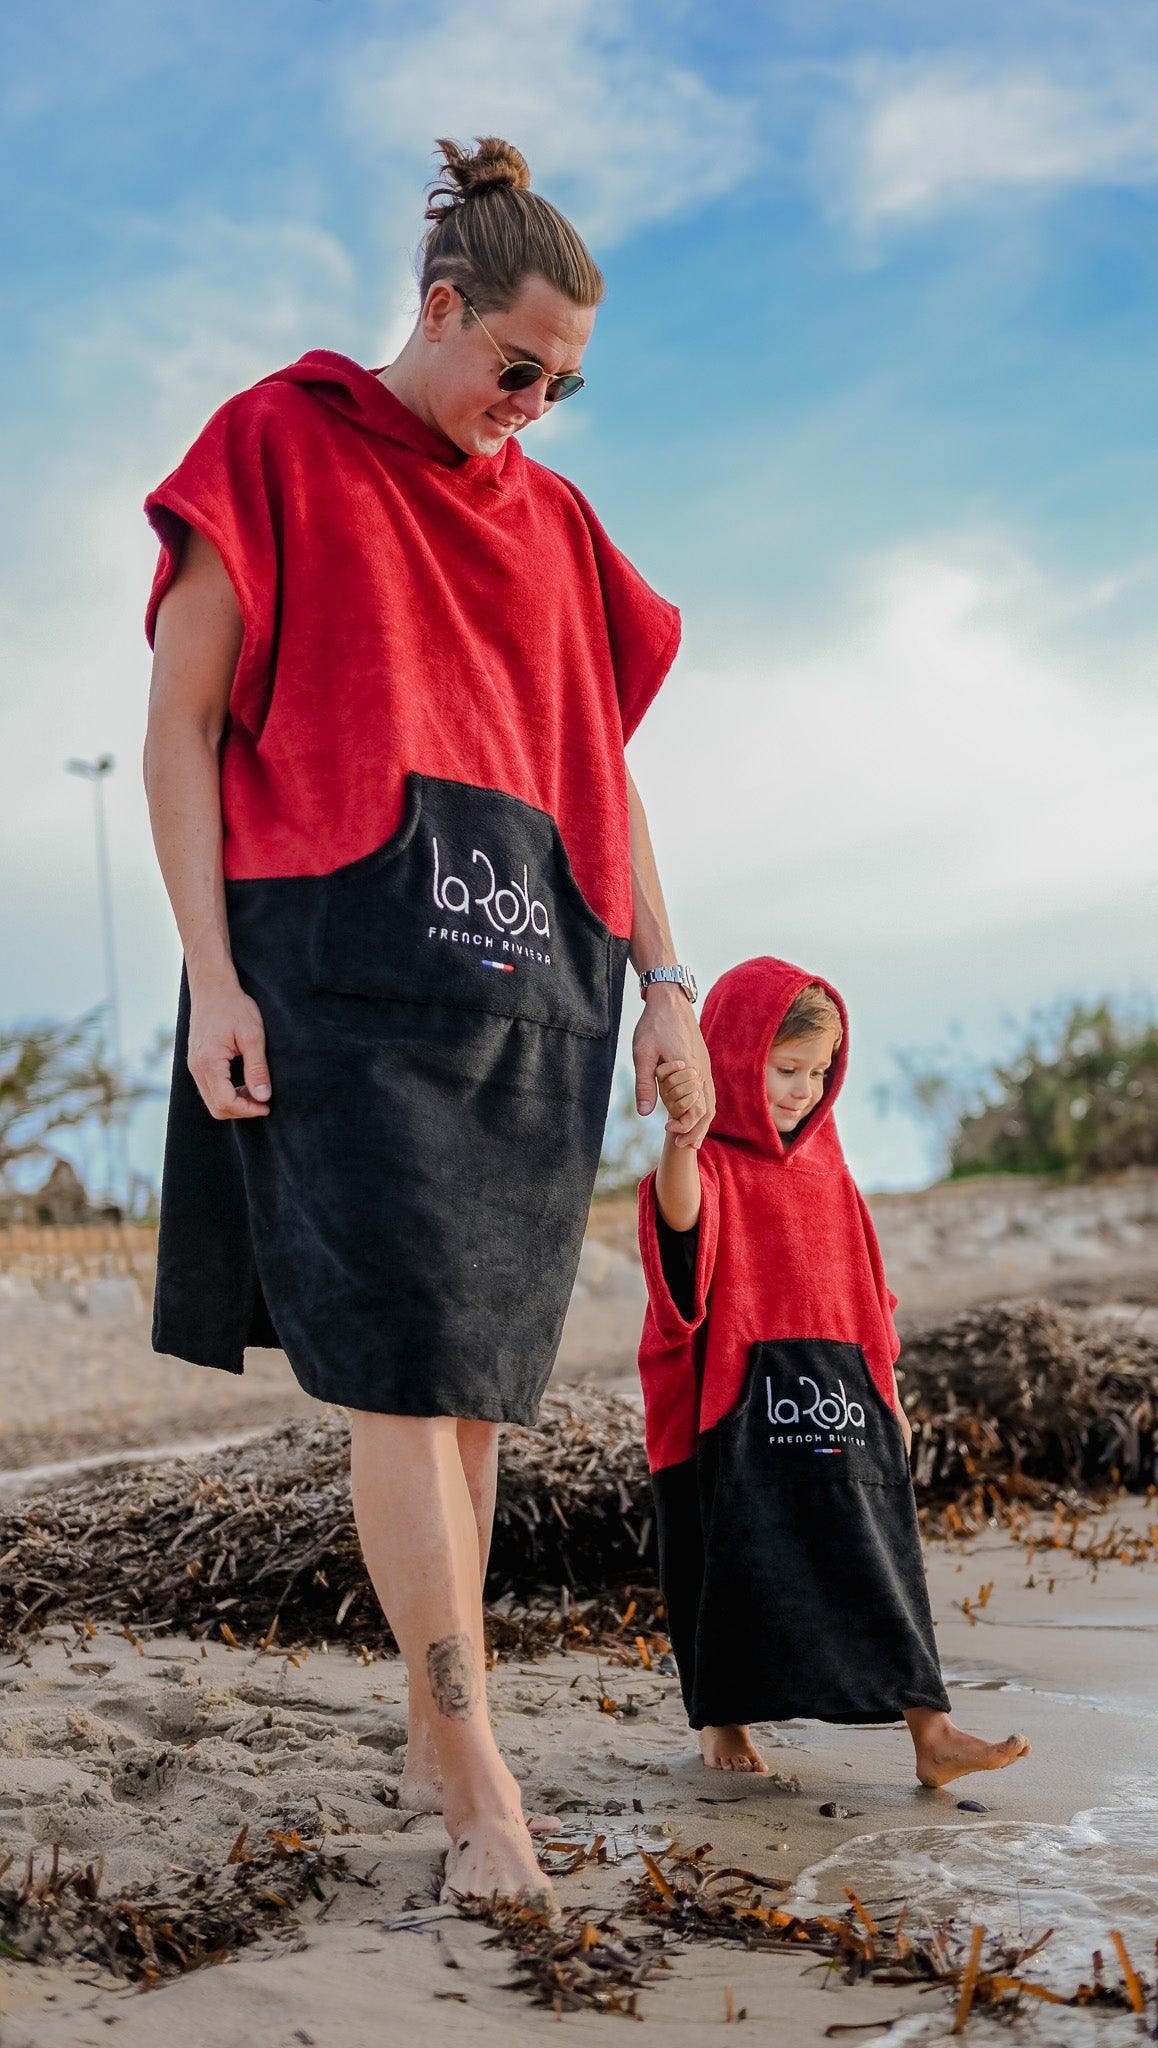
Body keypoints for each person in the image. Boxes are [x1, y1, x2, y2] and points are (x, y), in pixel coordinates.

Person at [141, 136, 712, 1912]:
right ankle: (478, 1775)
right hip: (333, 954)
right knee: (399, 1374)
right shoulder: (279, 440)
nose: (531, 409)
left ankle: (425, 1719)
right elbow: (178, 731)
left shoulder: (551, 521)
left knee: (469, 1394)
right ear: (438, 308)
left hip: (535, 969)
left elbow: (601, 771)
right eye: (514, 368)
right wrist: (214, 977)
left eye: (564, 386)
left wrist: (668, 984)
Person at [636, 957, 1029, 1784]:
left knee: (876, 1555)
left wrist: (889, 1394)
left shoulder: (830, 1170)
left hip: (842, 1387)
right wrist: (683, 1138)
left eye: (818, 1073)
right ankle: (723, 1723)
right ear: (736, 1058)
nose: (802, 1091)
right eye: (785, 1069)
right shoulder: (711, 1161)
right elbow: (678, 1225)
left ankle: (933, 1732)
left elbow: (866, 1287)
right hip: (735, 1398)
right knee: (733, 1563)